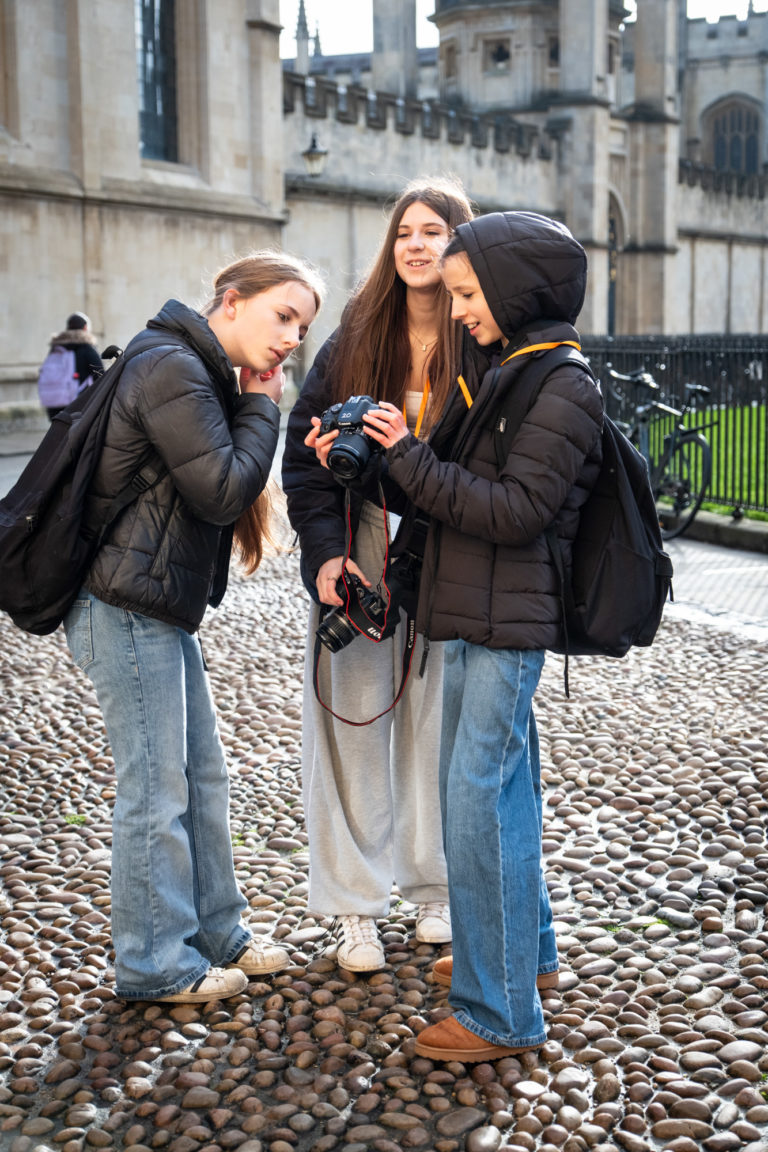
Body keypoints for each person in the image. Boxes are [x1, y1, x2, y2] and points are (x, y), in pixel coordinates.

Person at [357, 211, 604, 1061]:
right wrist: (375, 456)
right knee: (507, 797)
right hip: (472, 611)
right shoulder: (509, 370)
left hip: (505, 622)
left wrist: (407, 458)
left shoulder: (562, 384)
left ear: (513, 288)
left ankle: (496, 1014)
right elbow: (455, 492)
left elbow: (516, 512)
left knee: (479, 804)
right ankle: (523, 959)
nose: (456, 308)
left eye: (467, 293)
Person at [63, 252, 323, 1004]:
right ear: (232, 302)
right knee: (154, 789)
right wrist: (264, 404)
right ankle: (153, 962)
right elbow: (220, 492)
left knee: (201, 777)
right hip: (123, 604)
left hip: (156, 605)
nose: (291, 341)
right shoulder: (173, 367)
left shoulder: (194, 369)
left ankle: (217, 932)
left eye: (302, 328)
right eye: (283, 316)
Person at [282, 178, 480, 972]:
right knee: (350, 725)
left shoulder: (482, 339)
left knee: (436, 726)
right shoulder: (355, 335)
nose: (417, 245)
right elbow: (304, 461)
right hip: (362, 540)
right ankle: (354, 907)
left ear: (460, 244)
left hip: (446, 550)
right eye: (405, 232)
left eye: (434, 231)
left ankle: (433, 887)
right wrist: (326, 552)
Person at [39, 311, 104, 419]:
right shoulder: (86, 348)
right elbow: (101, 376)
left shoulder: (57, 348)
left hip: (53, 404)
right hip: (77, 405)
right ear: (85, 328)